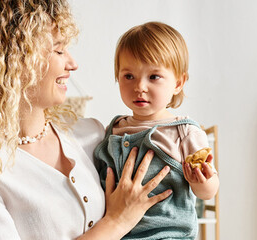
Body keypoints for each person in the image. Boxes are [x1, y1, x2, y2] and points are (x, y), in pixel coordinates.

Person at [0, 0, 172, 239]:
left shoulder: (90, 135)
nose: (72, 63)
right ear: (15, 59)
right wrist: (117, 222)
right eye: (59, 49)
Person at [93, 21, 220, 240]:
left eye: (153, 77)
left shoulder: (184, 133)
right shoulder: (112, 129)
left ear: (178, 83)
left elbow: (208, 192)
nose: (139, 86)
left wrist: (203, 182)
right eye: (128, 76)